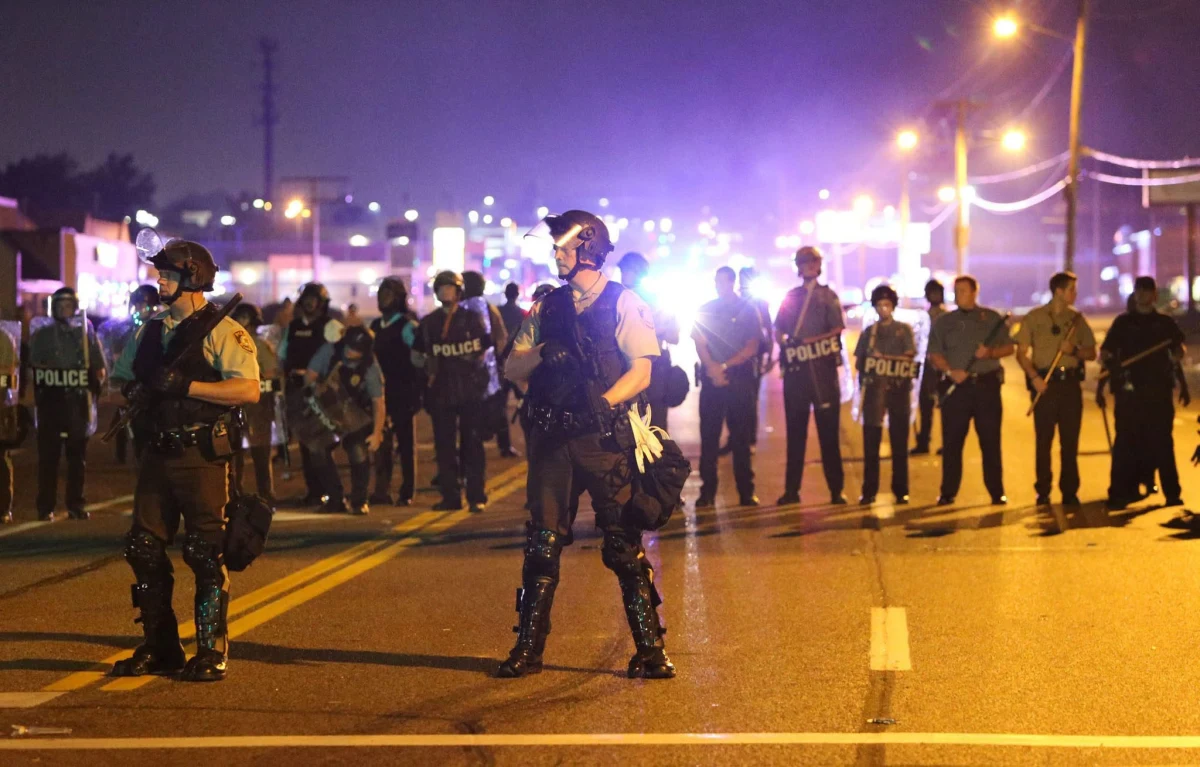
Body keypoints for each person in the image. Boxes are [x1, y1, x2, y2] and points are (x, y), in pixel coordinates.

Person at [500, 209, 673, 680]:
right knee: (541, 544)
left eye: (564, 246)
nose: (556, 254)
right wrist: (539, 353)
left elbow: (642, 368)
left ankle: (651, 650)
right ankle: (527, 649)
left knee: (622, 544)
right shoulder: (547, 306)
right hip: (553, 440)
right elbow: (511, 368)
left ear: (588, 249)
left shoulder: (624, 301)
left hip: (603, 440)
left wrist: (605, 400)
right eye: (555, 247)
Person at [108, 240, 259, 682]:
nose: (160, 281)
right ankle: (161, 646)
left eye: (168, 275)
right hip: (157, 451)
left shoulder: (222, 331)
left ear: (193, 277)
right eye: (160, 274)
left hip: (202, 455)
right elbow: (121, 380)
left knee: (205, 552)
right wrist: (135, 392)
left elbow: (248, 389)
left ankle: (211, 650)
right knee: (142, 546)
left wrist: (187, 386)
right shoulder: (149, 330)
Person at [1102, 276, 1187, 510]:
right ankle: (1119, 492)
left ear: (1154, 295)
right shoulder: (1123, 323)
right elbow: (1106, 352)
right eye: (1139, 290)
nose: (1143, 295)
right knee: (1125, 443)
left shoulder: (1165, 323)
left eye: (1147, 291)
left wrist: (1177, 355)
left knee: (1162, 443)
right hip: (1129, 393)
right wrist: (1112, 365)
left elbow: (1178, 350)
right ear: (1135, 294)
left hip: (1158, 392)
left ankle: (1172, 493)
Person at [927, 275, 1014, 505]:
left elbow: (1008, 348)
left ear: (975, 293)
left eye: (963, 291)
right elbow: (934, 353)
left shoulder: (991, 319)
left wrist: (990, 354)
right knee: (952, 443)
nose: (958, 295)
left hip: (986, 387)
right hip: (957, 389)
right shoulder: (944, 322)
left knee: (990, 442)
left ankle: (997, 491)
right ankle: (948, 492)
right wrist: (950, 371)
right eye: (956, 291)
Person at [1014, 272, 1096, 507]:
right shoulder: (1034, 318)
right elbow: (1021, 353)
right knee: (1044, 442)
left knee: (1070, 443)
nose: (1075, 294)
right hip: (1045, 385)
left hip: (1070, 385)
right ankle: (1043, 490)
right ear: (1059, 291)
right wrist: (1034, 378)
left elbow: (1092, 352)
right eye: (1071, 289)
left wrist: (1074, 351)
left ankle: (1070, 491)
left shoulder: (1077, 320)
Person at [413, 271, 492, 512]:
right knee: (444, 447)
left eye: (449, 288)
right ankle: (450, 496)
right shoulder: (428, 323)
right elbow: (416, 356)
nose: (445, 292)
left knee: (473, 444)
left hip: (469, 390)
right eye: (441, 288)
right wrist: (428, 367)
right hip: (442, 391)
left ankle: (476, 495)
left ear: (459, 292)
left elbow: (485, 350)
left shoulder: (472, 318)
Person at [773, 246, 846, 506]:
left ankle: (836, 490)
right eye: (802, 262)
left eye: (811, 262)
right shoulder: (791, 296)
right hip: (797, 375)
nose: (807, 267)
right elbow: (778, 328)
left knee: (829, 437)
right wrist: (785, 343)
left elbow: (837, 329)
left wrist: (807, 341)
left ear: (818, 264)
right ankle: (792, 490)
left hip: (822, 374)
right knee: (795, 435)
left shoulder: (828, 296)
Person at [29, 287, 107, 521]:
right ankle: (45, 507)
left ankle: (76, 504)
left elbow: (99, 368)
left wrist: (95, 387)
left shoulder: (84, 334)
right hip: (51, 404)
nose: (64, 309)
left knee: (77, 459)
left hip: (77, 404)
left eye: (68, 304)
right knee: (48, 459)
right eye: (60, 305)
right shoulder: (42, 336)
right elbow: (35, 368)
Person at [693, 266, 762, 508]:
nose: (718, 285)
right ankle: (707, 492)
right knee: (709, 439)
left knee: (741, 439)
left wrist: (722, 366)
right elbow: (699, 342)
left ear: (731, 282)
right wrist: (713, 367)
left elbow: (752, 346)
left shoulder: (747, 309)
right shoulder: (706, 308)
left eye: (722, 281)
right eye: (716, 280)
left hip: (738, 380)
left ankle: (746, 492)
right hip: (713, 381)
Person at [304, 326, 386, 515]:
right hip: (328, 410)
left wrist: (377, 433)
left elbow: (378, 402)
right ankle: (335, 498)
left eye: (356, 349)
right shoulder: (329, 352)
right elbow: (310, 377)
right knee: (318, 452)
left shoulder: (370, 365)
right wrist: (316, 387)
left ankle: (359, 501)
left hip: (355, 413)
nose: (350, 351)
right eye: (349, 346)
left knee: (358, 453)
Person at [855, 284, 916, 505]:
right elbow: (860, 361)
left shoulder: (903, 329)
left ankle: (901, 489)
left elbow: (910, 356)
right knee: (871, 443)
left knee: (900, 442)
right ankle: (869, 490)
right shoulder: (869, 332)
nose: (883, 309)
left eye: (887, 305)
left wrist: (885, 359)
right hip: (873, 391)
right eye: (880, 305)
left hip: (898, 390)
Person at [280, 283, 338, 506]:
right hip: (296, 390)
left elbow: (339, 355)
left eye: (314, 299)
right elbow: (283, 355)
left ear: (322, 303)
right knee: (304, 442)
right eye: (306, 299)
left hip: (320, 391)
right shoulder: (293, 327)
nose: (310, 303)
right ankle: (314, 491)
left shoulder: (330, 326)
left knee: (322, 444)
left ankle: (330, 490)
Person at [370, 277, 422, 506]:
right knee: (381, 443)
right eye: (381, 294)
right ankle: (381, 490)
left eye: (388, 294)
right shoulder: (374, 327)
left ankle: (407, 491)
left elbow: (419, 360)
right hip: (379, 394)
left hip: (403, 392)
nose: (383, 299)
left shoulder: (407, 326)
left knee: (406, 443)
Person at [618, 251, 680, 431]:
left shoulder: (655, 300)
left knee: (655, 427)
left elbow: (674, 336)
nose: (623, 275)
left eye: (627, 270)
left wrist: (651, 330)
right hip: (623, 367)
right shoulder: (615, 297)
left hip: (654, 368)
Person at [100, 284, 161, 465]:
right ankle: (124, 455)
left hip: (150, 381)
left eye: (145, 306)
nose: (141, 310)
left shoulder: (158, 327)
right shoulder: (125, 329)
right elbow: (114, 350)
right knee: (121, 419)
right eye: (138, 306)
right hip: (129, 381)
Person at [230, 303, 279, 504]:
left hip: (257, 404)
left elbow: (271, 374)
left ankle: (266, 496)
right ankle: (235, 494)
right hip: (236, 402)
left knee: (260, 453)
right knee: (235, 455)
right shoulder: (230, 343)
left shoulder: (258, 345)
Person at [463, 271, 512, 458]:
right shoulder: (488, 308)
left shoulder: (459, 310)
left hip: (468, 372)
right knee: (496, 409)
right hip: (486, 371)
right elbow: (501, 337)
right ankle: (503, 445)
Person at [736, 266, 773, 450]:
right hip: (735, 357)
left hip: (754, 358)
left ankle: (749, 439)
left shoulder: (760, 303)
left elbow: (769, 329)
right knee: (733, 400)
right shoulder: (734, 301)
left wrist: (769, 358)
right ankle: (736, 439)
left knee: (751, 399)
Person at [912, 279, 946, 455]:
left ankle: (946, 444)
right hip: (926, 368)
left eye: (937, 292)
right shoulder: (923, 317)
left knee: (946, 407)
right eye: (932, 292)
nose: (935, 296)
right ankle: (923, 442)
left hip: (943, 367)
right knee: (925, 407)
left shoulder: (947, 317)